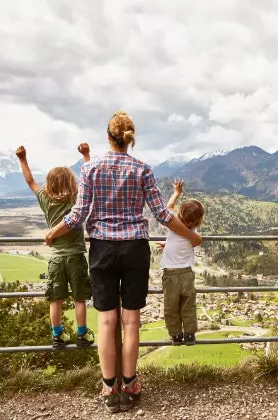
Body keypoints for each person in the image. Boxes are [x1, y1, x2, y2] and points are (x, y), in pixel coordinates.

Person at [44, 111, 202, 414]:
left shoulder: (90, 169)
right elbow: (163, 215)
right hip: (134, 250)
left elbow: (77, 217)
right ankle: (129, 385)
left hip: (102, 249)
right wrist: (192, 237)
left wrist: (52, 232)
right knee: (131, 322)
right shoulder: (142, 169)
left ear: (107, 136)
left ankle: (108, 387)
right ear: (130, 138)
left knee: (106, 321)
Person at [15, 144, 95, 349]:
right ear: (71, 182)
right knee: (79, 299)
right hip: (76, 256)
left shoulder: (45, 199)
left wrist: (22, 158)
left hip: (57, 258)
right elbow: (88, 180)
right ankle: (82, 334)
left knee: (55, 300)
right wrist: (86, 155)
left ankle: (57, 335)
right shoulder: (76, 199)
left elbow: (30, 180)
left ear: (49, 184)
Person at [157, 180, 204, 346]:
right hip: (187, 274)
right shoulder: (194, 232)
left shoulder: (173, 225)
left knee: (171, 307)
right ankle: (190, 335)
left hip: (170, 275)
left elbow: (167, 208)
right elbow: (186, 242)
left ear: (180, 214)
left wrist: (177, 193)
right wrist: (168, 244)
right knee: (188, 306)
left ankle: (176, 335)